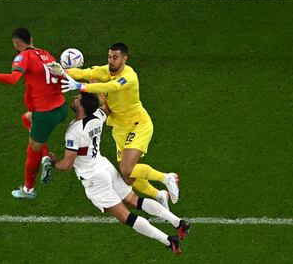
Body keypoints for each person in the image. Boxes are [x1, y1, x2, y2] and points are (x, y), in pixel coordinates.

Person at [50, 92, 190, 254]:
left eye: (77, 98)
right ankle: (178, 222)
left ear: (82, 106)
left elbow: (66, 165)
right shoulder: (97, 117)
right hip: (104, 166)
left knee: (126, 216)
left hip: (93, 177)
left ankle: (168, 240)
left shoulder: (74, 131)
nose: (74, 98)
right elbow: (106, 107)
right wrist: (95, 86)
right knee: (133, 199)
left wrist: (53, 161)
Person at [47, 43, 179, 205]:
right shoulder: (106, 70)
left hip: (138, 125)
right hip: (119, 128)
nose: (111, 61)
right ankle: (159, 195)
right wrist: (62, 71)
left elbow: (113, 86)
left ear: (125, 58)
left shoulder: (129, 76)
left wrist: (82, 86)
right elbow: (85, 72)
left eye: (115, 57)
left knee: (126, 168)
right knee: (128, 177)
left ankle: (167, 177)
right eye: (109, 57)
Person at [0, 27, 68, 199]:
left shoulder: (23, 56)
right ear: (31, 39)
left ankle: (28, 190)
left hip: (46, 115)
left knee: (31, 151)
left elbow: (13, 79)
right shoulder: (46, 54)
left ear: (16, 43)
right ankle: (45, 158)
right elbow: (59, 78)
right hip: (61, 108)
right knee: (26, 118)